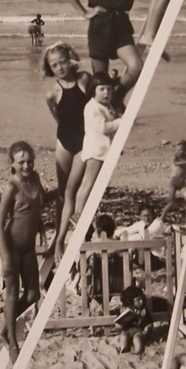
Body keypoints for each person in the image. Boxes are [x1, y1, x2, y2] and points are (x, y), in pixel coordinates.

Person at [0, 141, 57, 362]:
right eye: (21, 161)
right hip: (12, 247)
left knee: (33, 294)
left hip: (28, 248)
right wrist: (7, 258)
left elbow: (41, 200)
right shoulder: (12, 187)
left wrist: (62, 191)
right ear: (12, 163)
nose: (27, 165)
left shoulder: (36, 179)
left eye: (29, 160)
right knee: (12, 294)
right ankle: (12, 342)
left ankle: (5, 327)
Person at [42, 43, 92, 259]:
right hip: (64, 141)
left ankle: (67, 238)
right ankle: (57, 239)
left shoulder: (84, 80)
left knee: (74, 190)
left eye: (62, 62)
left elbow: (98, 103)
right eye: (54, 65)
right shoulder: (52, 94)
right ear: (50, 68)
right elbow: (58, 118)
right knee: (62, 194)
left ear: (70, 59)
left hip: (83, 142)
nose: (60, 68)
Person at [67, 73, 122, 255]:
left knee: (93, 184)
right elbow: (103, 128)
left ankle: (83, 213)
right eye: (102, 89)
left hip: (101, 149)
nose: (106, 93)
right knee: (88, 183)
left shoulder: (102, 106)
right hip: (96, 150)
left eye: (109, 89)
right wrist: (122, 121)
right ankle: (78, 215)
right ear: (94, 90)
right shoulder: (92, 107)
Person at [160, 140, 186, 224]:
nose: (179, 152)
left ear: (185, 149)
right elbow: (176, 163)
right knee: (171, 202)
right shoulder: (175, 157)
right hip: (174, 182)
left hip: (182, 183)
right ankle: (161, 218)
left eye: (181, 150)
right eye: (178, 150)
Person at [114, 285, 152, 355]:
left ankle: (138, 351)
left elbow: (150, 322)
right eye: (138, 300)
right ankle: (123, 348)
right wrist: (119, 325)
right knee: (123, 336)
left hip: (139, 331)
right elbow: (118, 323)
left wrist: (147, 328)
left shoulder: (144, 311)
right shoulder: (124, 310)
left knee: (137, 338)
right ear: (130, 301)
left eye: (142, 299)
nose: (141, 301)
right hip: (127, 331)